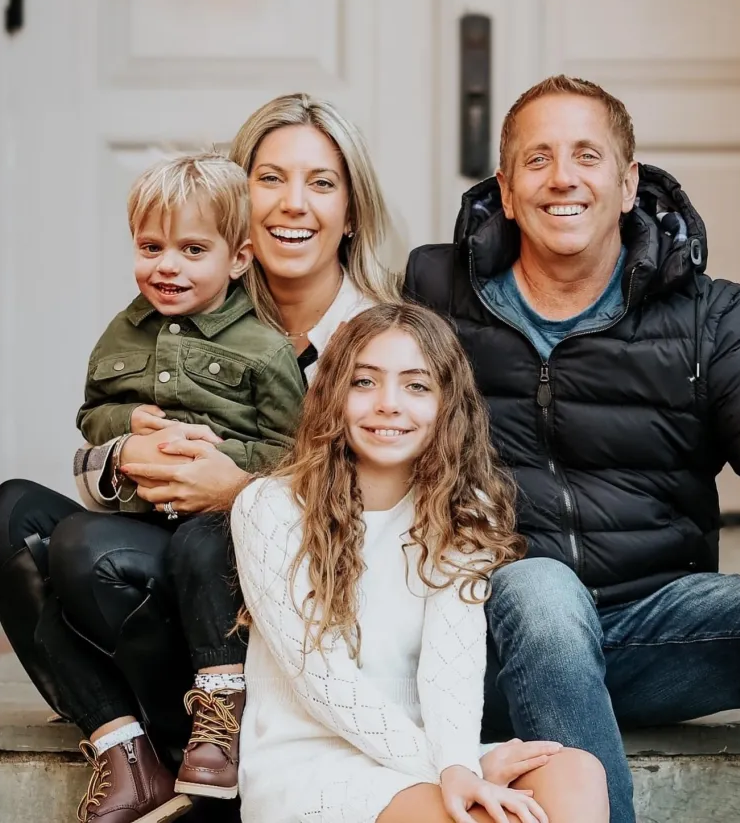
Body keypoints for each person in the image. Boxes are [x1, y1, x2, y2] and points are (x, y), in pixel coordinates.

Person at [404, 74, 740, 823]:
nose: (563, 178)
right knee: (539, 585)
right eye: (538, 159)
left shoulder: (705, 317)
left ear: (627, 184)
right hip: (490, 639)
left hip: (653, 622)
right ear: (503, 187)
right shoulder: (438, 299)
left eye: (586, 156)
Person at [0, 94, 398, 823]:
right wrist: (126, 449)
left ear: (351, 208)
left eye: (320, 181)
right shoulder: (165, 315)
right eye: (269, 178)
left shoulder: (380, 339)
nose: (291, 203)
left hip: (275, 603)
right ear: (232, 203)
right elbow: (91, 442)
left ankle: (213, 734)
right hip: (162, 540)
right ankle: (122, 741)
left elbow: (384, 508)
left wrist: (243, 488)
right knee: (12, 515)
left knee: (94, 552)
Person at [231, 302, 608, 823]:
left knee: (576, 770)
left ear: (447, 404)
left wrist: (457, 762)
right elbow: (322, 680)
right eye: (364, 382)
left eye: (416, 385)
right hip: (314, 762)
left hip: (428, 755)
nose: (388, 405)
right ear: (333, 393)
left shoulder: (463, 509)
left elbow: (450, 668)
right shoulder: (270, 507)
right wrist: (450, 770)